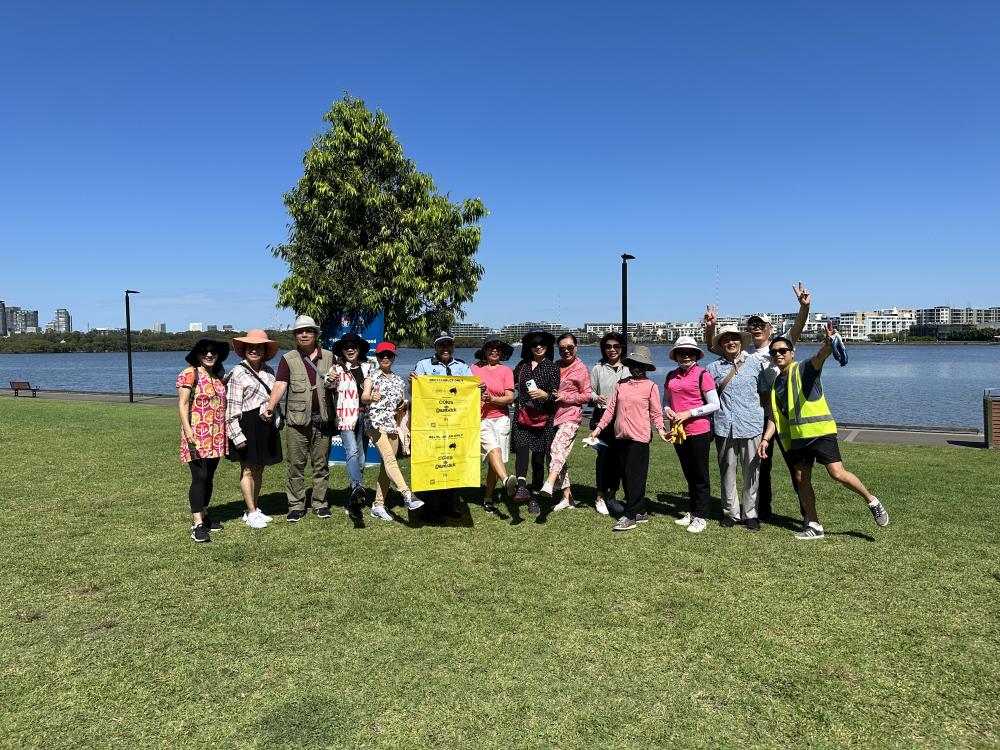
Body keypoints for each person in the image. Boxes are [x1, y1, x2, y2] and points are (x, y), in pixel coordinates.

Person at [759, 324, 889, 540]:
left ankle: (872, 501)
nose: (778, 354)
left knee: (837, 473)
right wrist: (765, 439)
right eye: (774, 352)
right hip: (798, 438)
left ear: (792, 353)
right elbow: (775, 416)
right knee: (801, 479)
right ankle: (814, 524)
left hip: (820, 431)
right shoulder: (775, 384)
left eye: (783, 351)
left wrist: (828, 345)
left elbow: (819, 357)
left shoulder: (803, 369)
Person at [704, 282, 811, 522]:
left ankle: (808, 514)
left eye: (761, 325)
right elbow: (713, 346)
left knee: (796, 467)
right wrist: (710, 327)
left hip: (784, 415)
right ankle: (761, 512)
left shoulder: (779, 346)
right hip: (759, 417)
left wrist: (804, 307)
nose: (756, 329)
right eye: (753, 325)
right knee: (761, 469)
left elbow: (798, 326)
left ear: (770, 328)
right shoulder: (746, 356)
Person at [262, 315, 336, 522]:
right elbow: (280, 384)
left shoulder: (329, 357)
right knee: (296, 464)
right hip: (296, 421)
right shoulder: (288, 359)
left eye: (309, 331)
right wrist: (270, 406)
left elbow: (337, 384)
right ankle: (296, 505)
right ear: (295, 336)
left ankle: (320, 503)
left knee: (321, 465)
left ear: (315, 334)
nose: (304, 335)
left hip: (322, 419)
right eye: (300, 332)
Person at [589, 345, 668, 532]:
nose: (636, 368)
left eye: (641, 365)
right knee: (625, 475)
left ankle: (630, 515)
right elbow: (610, 410)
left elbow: (656, 413)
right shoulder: (621, 384)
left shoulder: (651, 387)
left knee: (635, 477)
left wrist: (661, 430)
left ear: (647, 368)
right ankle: (640, 511)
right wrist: (598, 429)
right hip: (620, 437)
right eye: (633, 364)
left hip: (639, 438)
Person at [705, 325, 765, 530]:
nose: (731, 342)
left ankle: (751, 514)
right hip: (724, 425)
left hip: (751, 425)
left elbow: (764, 393)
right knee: (727, 471)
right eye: (726, 339)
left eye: (734, 339)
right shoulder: (712, 368)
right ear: (721, 344)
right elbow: (706, 397)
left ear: (741, 341)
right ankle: (731, 512)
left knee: (752, 471)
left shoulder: (755, 364)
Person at [410, 331, 474, 519]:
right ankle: (430, 507)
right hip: (431, 424)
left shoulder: (462, 367)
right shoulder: (423, 365)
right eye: (441, 345)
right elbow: (414, 391)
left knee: (452, 464)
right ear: (435, 347)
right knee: (431, 464)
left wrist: (479, 388)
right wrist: (412, 383)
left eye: (448, 345)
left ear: (453, 347)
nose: (445, 348)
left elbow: (471, 389)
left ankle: (448, 504)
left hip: (455, 424)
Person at [225, 329, 282, 530]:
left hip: (264, 424)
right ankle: (250, 511)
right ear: (244, 350)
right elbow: (231, 407)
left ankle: (254, 508)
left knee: (259, 468)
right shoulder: (237, 372)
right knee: (248, 468)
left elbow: (274, 398)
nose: (254, 350)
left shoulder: (269, 371)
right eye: (250, 347)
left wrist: (276, 417)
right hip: (246, 424)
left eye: (259, 347)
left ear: (265, 351)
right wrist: (236, 435)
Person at [361, 342, 424, 520]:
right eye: (382, 355)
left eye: (389, 355)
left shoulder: (398, 380)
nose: (385, 358)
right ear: (377, 357)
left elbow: (402, 402)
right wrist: (371, 397)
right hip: (375, 424)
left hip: (393, 425)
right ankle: (407, 494)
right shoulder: (371, 376)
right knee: (389, 459)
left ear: (394, 357)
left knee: (386, 466)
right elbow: (364, 396)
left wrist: (403, 405)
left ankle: (378, 505)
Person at [664, 336, 720, 534]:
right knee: (688, 473)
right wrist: (667, 410)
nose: (686, 355)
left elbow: (714, 404)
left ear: (696, 355)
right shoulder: (671, 375)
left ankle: (701, 515)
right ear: (676, 355)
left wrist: (689, 413)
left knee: (700, 474)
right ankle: (692, 510)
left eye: (690, 352)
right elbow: (667, 400)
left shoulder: (702, 374)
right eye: (682, 352)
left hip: (699, 430)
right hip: (679, 432)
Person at [177, 338, 230, 543]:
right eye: (205, 351)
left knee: (209, 477)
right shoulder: (190, 373)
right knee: (199, 477)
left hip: (216, 436)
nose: (209, 355)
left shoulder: (217, 377)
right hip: (197, 436)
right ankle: (197, 523)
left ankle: (205, 515)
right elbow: (182, 404)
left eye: (213, 352)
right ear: (198, 354)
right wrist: (188, 431)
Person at [539, 333, 591, 510]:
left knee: (556, 448)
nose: (566, 351)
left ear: (576, 347)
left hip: (571, 416)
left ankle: (550, 483)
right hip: (554, 416)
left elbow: (586, 395)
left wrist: (565, 396)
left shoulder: (581, 369)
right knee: (555, 456)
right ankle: (567, 497)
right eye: (562, 349)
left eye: (570, 347)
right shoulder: (556, 366)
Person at [511, 329, 560, 514]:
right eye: (534, 344)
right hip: (522, 416)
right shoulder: (522, 366)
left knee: (538, 460)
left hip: (543, 419)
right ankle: (522, 485)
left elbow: (555, 396)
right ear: (529, 347)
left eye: (542, 343)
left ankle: (535, 496)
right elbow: (509, 382)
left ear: (547, 347)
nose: (538, 346)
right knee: (522, 449)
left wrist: (544, 394)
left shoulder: (553, 368)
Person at [325, 331, 374, 519]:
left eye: (354, 346)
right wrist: (330, 379)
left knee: (361, 459)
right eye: (346, 347)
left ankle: (353, 501)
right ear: (342, 350)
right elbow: (328, 383)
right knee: (351, 451)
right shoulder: (337, 369)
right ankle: (357, 486)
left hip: (364, 417)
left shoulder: (368, 367)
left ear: (359, 348)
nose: (350, 349)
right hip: (346, 417)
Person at [470, 335, 519, 514]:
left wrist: (491, 398)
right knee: (493, 450)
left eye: (498, 348)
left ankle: (488, 498)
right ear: (484, 350)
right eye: (491, 347)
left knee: (494, 461)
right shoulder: (474, 369)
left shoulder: (506, 371)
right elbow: (463, 391)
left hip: (502, 419)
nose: (494, 350)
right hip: (481, 419)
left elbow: (509, 397)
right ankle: (506, 480)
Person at [589, 331, 629, 515]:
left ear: (621, 348)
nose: (612, 350)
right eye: (608, 346)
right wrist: (596, 397)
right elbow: (589, 392)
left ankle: (612, 496)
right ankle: (599, 496)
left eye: (616, 346)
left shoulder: (628, 368)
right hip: (602, 419)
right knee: (603, 460)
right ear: (603, 349)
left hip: (622, 420)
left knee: (619, 461)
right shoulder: (598, 368)